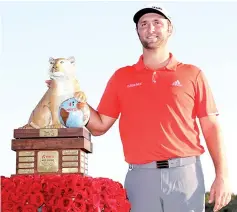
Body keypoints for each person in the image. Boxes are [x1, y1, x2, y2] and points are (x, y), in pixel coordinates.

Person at [46, 3, 231, 212]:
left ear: (170, 29)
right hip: (140, 178)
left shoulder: (192, 74)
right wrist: (68, 92)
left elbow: (211, 127)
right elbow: (99, 126)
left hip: (185, 176)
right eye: (143, 24)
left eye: (157, 23)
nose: (150, 28)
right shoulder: (121, 77)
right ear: (137, 31)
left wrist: (222, 175)